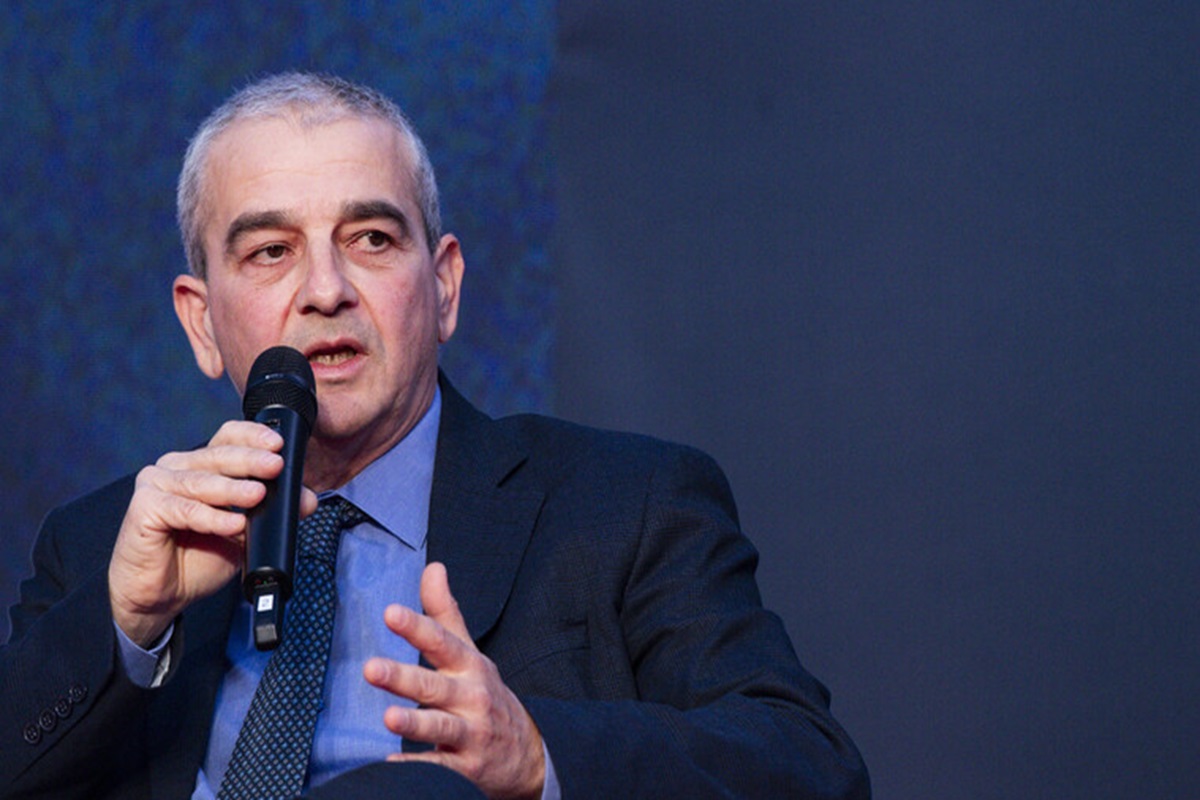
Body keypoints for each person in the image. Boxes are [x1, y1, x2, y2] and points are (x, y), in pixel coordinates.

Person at [1, 73, 869, 799]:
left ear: (444, 287)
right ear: (200, 322)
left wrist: (538, 755)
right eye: (270, 251)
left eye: (371, 239)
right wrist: (125, 621)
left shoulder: (623, 508)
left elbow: (810, 767)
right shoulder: (104, 547)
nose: (326, 289)